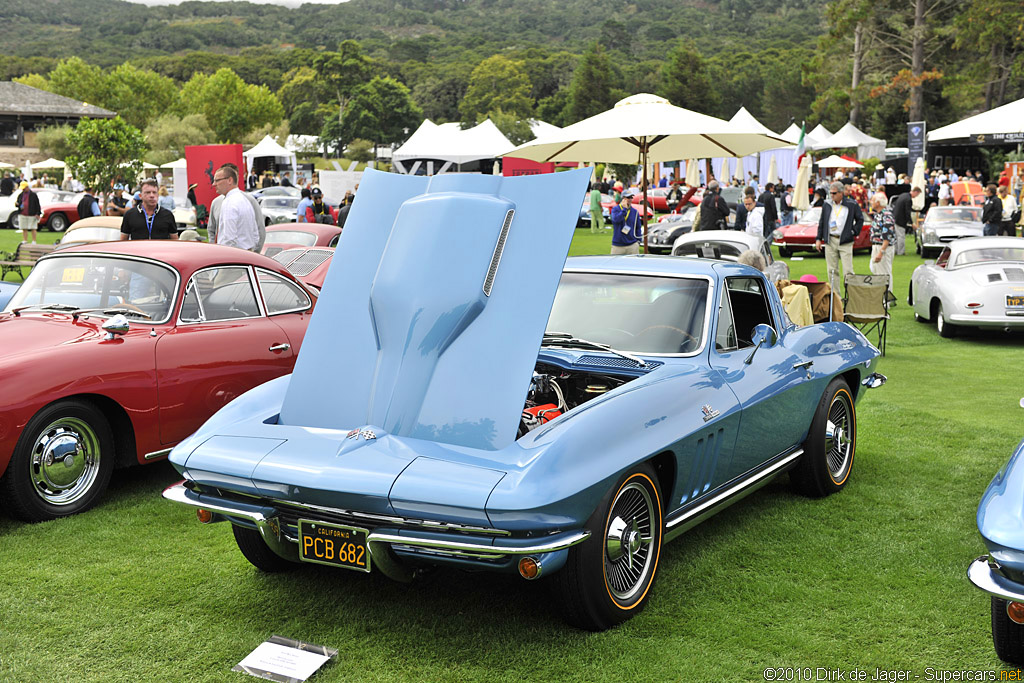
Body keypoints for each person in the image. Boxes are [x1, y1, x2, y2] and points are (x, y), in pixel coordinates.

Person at [815, 182, 864, 293]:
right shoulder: (827, 204)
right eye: (830, 193)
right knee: (832, 270)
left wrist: (853, 232)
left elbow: (860, 219)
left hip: (845, 241)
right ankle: (836, 297)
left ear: (841, 193)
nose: (832, 195)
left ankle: (851, 296)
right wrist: (818, 239)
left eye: (834, 193)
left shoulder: (851, 204)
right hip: (830, 240)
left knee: (848, 271)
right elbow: (822, 222)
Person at [212, 164, 260, 250]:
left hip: (234, 256)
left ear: (230, 180)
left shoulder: (229, 203)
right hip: (247, 254)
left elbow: (228, 238)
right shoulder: (244, 200)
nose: (213, 184)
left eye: (217, 180)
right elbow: (255, 235)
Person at [868, 193, 895, 294]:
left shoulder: (886, 215)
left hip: (882, 247)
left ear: (878, 203)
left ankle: (886, 299)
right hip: (877, 246)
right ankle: (883, 297)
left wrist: (881, 251)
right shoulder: (879, 214)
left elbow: (887, 235)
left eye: (872, 200)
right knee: (876, 270)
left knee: (884, 273)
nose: (871, 202)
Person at [891, 187, 919, 255]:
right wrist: (912, 223)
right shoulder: (908, 199)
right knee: (901, 236)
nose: (917, 196)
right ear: (915, 192)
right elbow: (907, 212)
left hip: (895, 217)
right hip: (900, 219)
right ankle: (901, 252)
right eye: (917, 194)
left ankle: (895, 250)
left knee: (896, 236)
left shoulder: (903, 195)